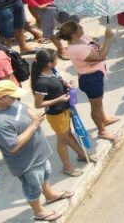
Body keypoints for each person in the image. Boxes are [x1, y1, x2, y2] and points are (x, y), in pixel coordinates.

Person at [0, 79, 73, 222]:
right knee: (33, 187)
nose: (16, 98)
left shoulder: (10, 102)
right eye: (13, 96)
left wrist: (32, 114)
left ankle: (50, 195)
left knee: (45, 174)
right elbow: (13, 146)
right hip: (27, 162)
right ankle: (38, 211)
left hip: (39, 153)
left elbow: (22, 107)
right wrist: (34, 125)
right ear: (2, 98)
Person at [31, 49, 92, 178]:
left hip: (64, 111)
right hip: (56, 115)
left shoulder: (52, 72)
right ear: (49, 63)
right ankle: (67, 167)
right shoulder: (41, 83)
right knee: (62, 140)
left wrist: (66, 84)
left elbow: (57, 84)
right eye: (55, 59)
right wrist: (59, 99)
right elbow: (38, 104)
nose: (57, 60)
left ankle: (81, 154)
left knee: (68, 135)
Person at [57, 21, 120, 141]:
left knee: (98, 101)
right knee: (95, 106)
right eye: (79, 28)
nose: (82, 28)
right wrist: (107, 39)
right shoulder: (76, 49)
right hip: (91, 80)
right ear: (74, 35)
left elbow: (96, 46)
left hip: (96, 75)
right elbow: (100, 55)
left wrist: (100, 47)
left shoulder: (82, 38)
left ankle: (104, 119)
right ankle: (102, 131)